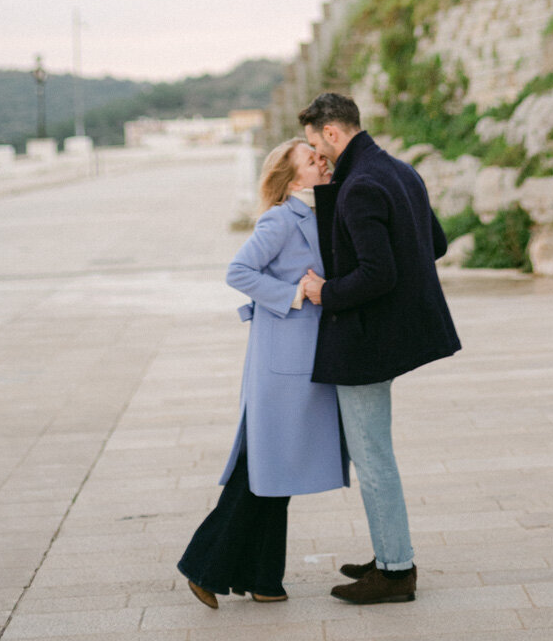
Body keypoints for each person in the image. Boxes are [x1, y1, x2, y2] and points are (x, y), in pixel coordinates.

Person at [299, 91, 461, 605]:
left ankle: (395, 572)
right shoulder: (399, 170)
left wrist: (326, 291)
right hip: (392, 334)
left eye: (314, 145)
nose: (315, 157)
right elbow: (433, 243)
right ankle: (390, 551)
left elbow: (378, 272)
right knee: (375, 453)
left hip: (368, 342)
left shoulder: (359, 185)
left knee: (373, 457)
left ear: (331, 132)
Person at [177, 137, 349, 608]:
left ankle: (264, 578)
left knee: (279, 467)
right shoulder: (281, 219)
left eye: (321, 156)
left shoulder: (319, 214)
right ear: (294, 180)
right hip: (282, 364)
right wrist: (294, 295)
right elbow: (239, 271)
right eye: (312, 161)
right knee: (263, 466)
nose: (323, 162)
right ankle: (202, 566)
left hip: (300, 359)